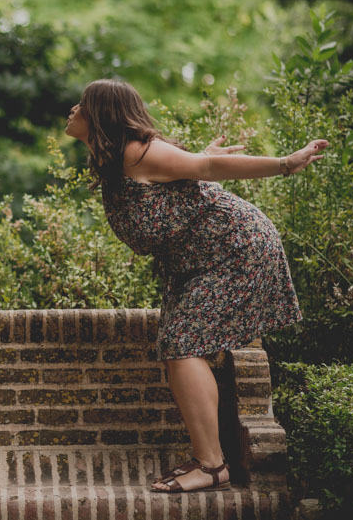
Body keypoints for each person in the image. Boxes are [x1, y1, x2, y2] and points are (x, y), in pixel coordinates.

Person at [64, 79, 327, 494]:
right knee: (180, 344)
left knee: (182, 343)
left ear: (101, 114)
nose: (72, 111)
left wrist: (284, 163)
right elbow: (188, 171)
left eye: (80, 105)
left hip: (233, 250)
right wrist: (198, 157)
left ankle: (211, 466)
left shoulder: (137, 150)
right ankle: (209, 460)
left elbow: (206, 170)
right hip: (199, 259)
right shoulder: (120, 158)